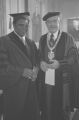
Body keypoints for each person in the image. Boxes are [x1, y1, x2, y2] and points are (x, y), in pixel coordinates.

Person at [37, 11, 79, 120]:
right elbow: (39, 56)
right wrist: (41, 62)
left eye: (54, 21)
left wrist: (60, 64)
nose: (52, 24)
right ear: (46, 24)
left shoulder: (67, 38)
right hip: (46, 81)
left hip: (62, 81)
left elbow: (73, 58)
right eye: (49, 22)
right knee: (47, 107)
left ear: (59, 22)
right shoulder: (42, 39)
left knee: (61, 110)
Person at [0, 12, 40, 120]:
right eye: (21, 25)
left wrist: (36, 69)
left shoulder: (31, 42)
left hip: (31, 89)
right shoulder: (4, 41)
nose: (24, 28)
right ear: (14, 25)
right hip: (15, 91)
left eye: (26, 25)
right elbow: (2, 67)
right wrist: (21, 71)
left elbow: (36, 61)